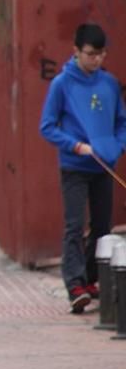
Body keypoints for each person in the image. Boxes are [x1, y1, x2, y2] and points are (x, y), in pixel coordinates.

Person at [40, 22, 126, 314]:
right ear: (76, 51)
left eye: (101, 54)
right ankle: (74, 284)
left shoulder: (109, 83)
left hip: (104, 164)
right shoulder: (61, 84)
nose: (96, 60)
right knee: (74, 225)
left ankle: (91, 277)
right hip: (75, 166)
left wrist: (118, 145)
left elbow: (121, 122)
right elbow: (47, 127)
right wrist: (75, 145)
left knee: (102, 225)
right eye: (90, 54)